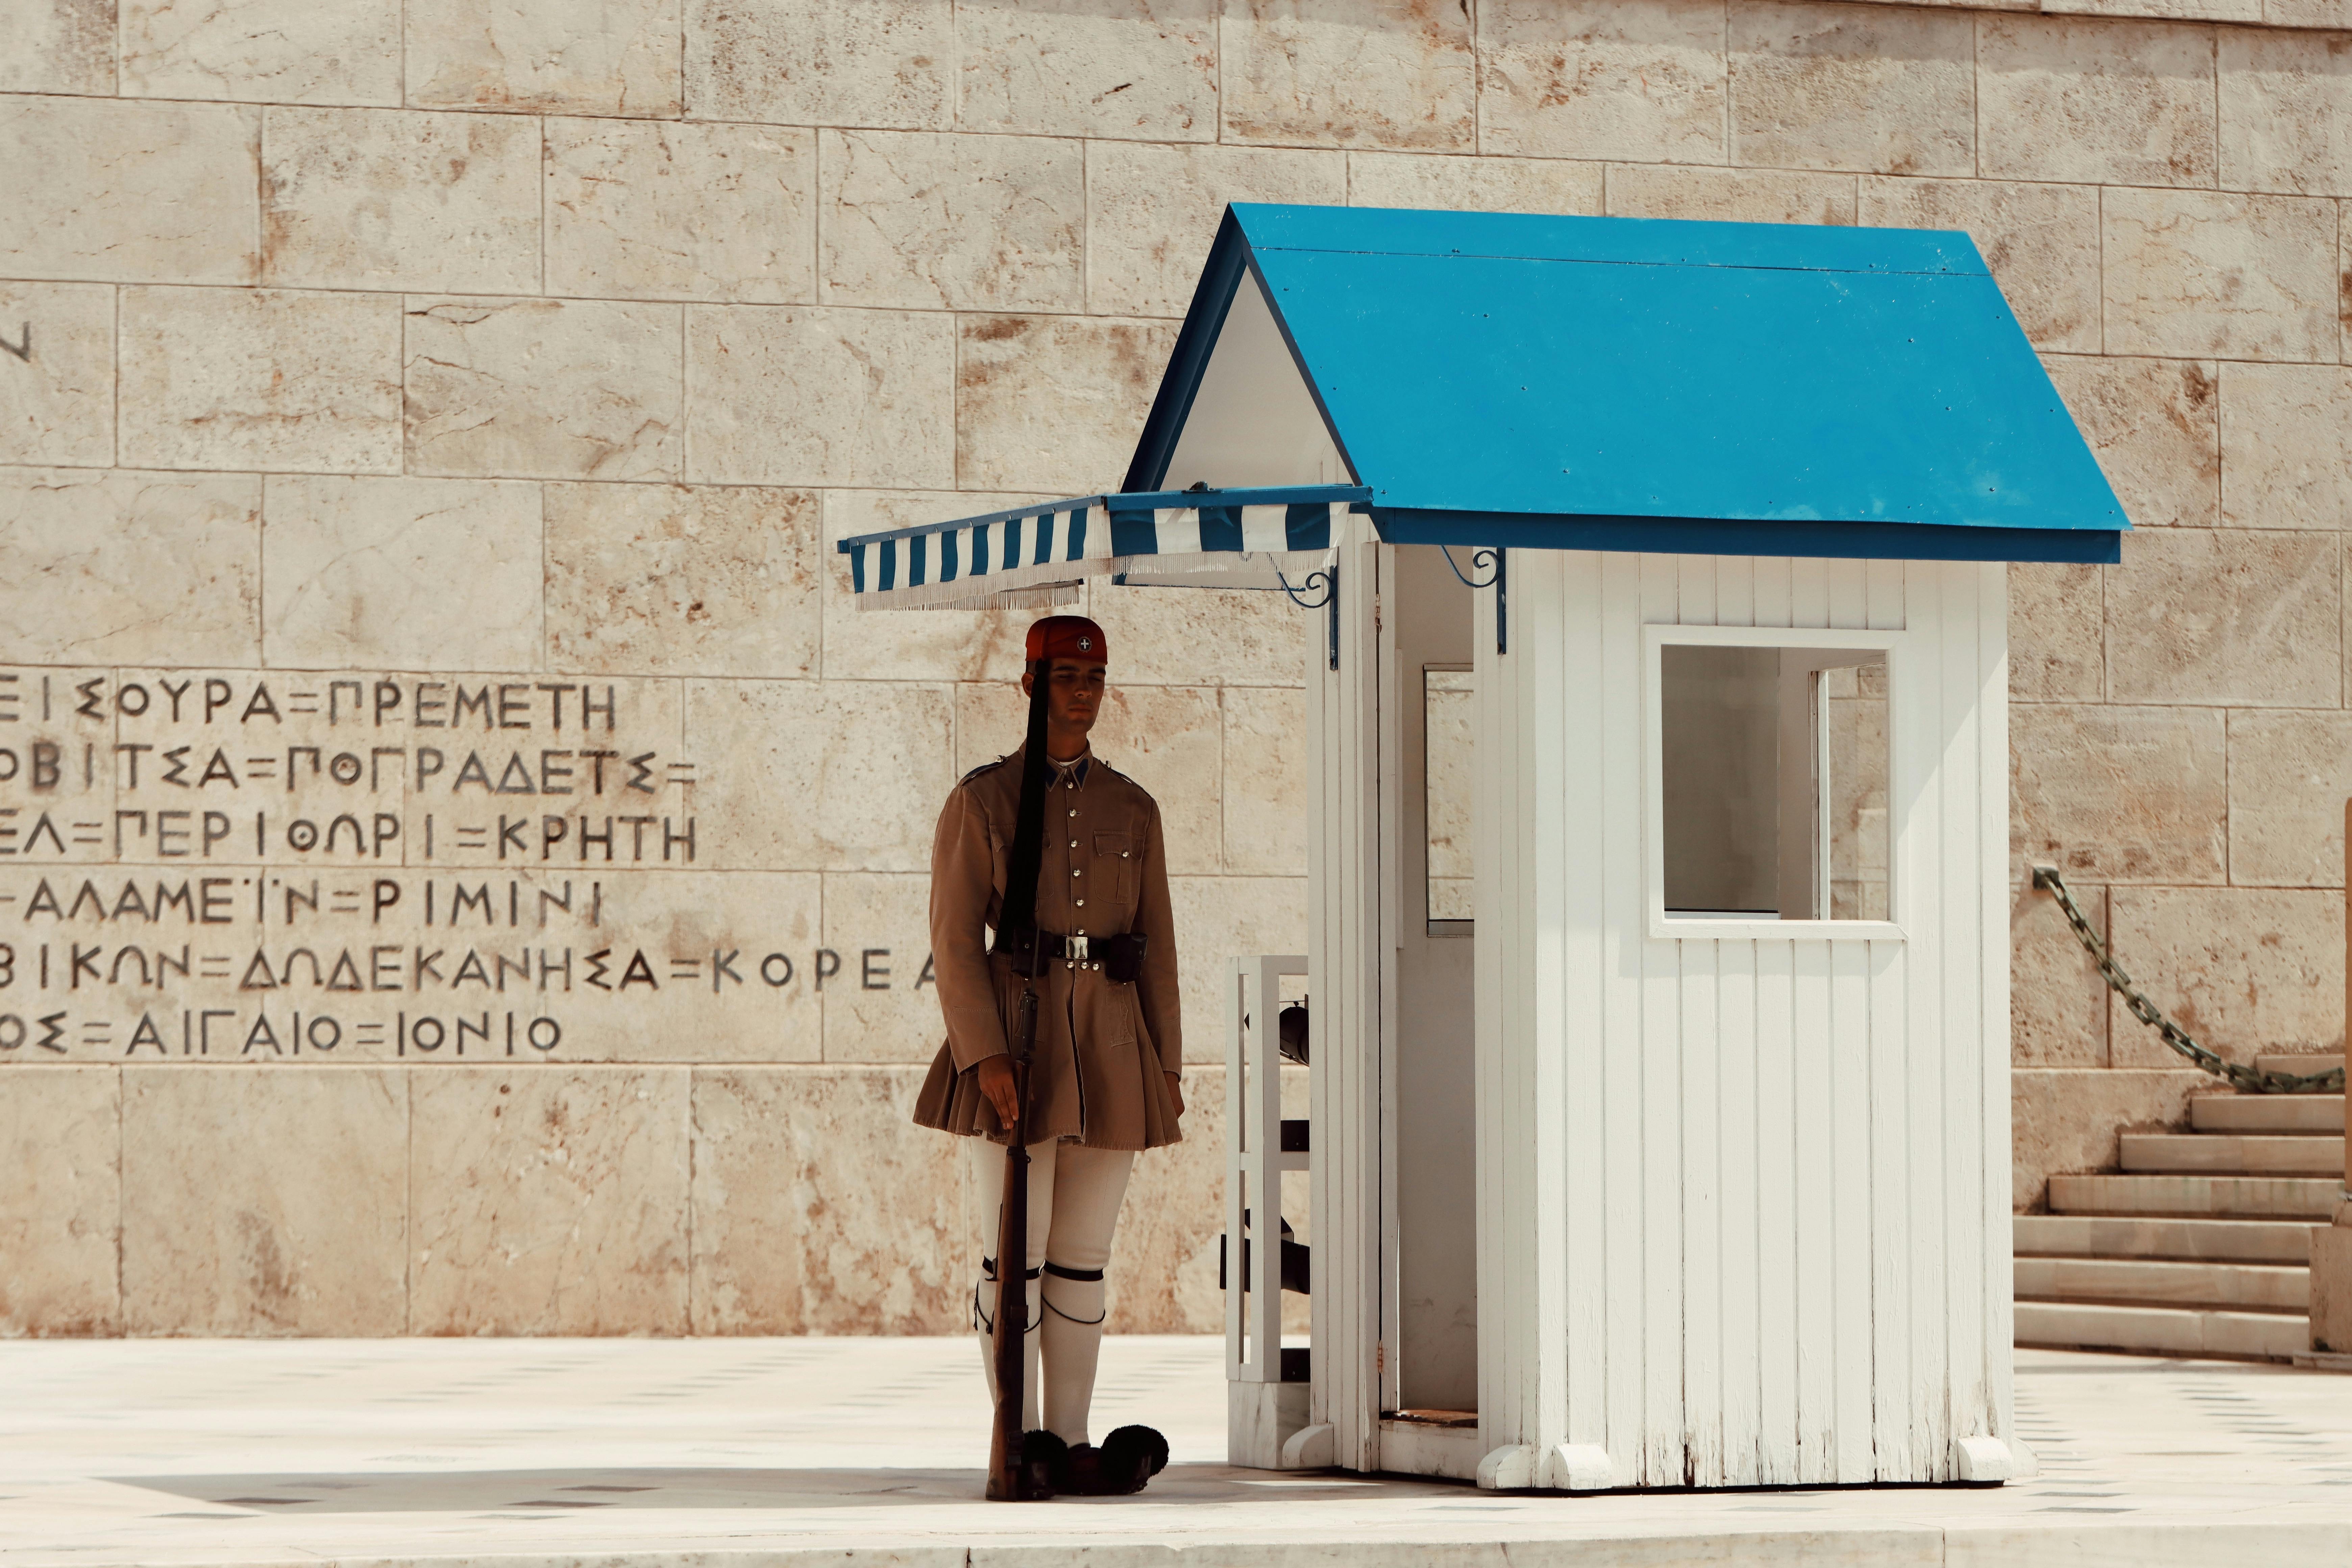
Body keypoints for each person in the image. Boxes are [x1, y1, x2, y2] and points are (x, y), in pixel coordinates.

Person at [913, 613, 1182, 1496]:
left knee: (1080, 1257)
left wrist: (1166, 1071)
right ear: (1030, 684)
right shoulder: (985, 801)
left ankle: (1068, 1437)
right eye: (1065, 676)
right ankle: (1015, 1433)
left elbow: (1159, 948)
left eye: (1093, 678)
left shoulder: (1131, 807)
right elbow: (955, 943)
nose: (1081, 693)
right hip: (1018, 1044)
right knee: (1012, 1258)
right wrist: (984, 1056)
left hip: (1109, 1047)